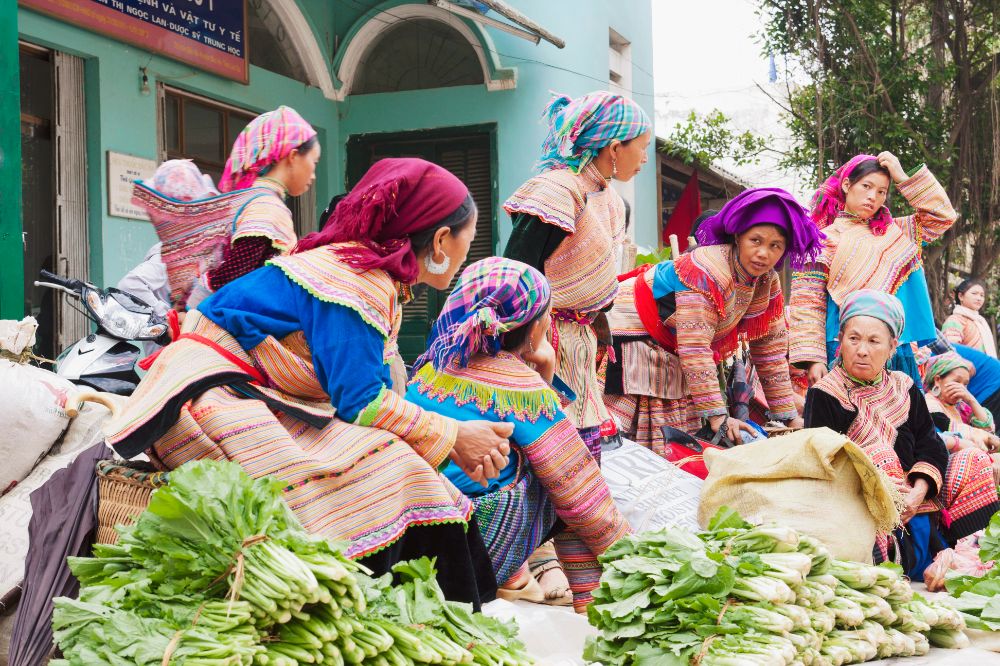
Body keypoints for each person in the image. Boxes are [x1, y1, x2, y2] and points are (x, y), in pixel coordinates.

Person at [105, 158, 515, 607]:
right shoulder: (353, 284)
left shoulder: (360, 274)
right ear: (440, 239)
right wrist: (453, 434)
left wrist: (447, 436)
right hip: (209, 399)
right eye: (467, 242)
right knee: (387, 468)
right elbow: (362, 403)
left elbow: (365, 395)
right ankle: (375, 608)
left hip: (247, 392)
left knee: (396, 460)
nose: (464, 255)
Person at [406, 258, 630, 613]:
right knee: (574, 484)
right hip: (473, 540)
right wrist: (628, 552)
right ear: (535, 324)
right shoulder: (518, 385)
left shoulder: (436, 364)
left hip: (420, 528)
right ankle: (597, 602)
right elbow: (577, 488)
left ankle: (527, 580)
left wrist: (545, 369)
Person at [603, 188, 820, 450]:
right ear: (738, 237)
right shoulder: (707, 269)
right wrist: (718, 417)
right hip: (634, 333)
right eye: (756, 241)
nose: (764, 253)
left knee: (679, 435)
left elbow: (770, 351)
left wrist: (788, 417)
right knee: (629, 435)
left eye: (775, 246)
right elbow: (694, 346)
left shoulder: (768, 281)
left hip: (671, 344)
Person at [804, 290, 997, 577]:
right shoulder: (825, 394)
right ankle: (909, 559)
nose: (862, 350)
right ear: (840, 340)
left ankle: (969, 556)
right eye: (853, 338)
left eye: (874, 341)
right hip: (869, 509)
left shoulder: (904, 386)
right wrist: (889, 493)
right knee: (877, 453)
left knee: (973, 459)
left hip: (918, 499)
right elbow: (823, 462)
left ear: (893, 347)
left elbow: (930, 444)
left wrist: (918, 491)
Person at [503, 90, 652, 459]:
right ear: (615, 148)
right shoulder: (556, 191)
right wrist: (526, 343)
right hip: (541, 342)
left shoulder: (611, 200)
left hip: (581, 344)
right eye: (642, 147)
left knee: (583, 453)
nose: (646, 158)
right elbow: (517, 274)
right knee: (545, 452)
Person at [790, 153, 958, 388]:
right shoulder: (821, 239)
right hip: (843, 348)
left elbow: (943, 216)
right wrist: (813, 359)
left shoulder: (898, 232)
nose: (872, 197)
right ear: (847, 185)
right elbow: (807, 303)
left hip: (895, 349)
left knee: (904, 420)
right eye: (866, 186)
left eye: (881, 191)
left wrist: (902, 177)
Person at [186, 106, 321, 306]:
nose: (313, 175)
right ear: (293, 156)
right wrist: (193, 309)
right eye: (314, 162)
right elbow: (234, 271)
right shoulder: (266, 207)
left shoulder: (252, 199)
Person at [922, 351, 1000, 454]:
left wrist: (971, 400)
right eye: (957, 381)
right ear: (937, 379)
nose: (961, 388)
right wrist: (987, 437)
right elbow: (953, 429)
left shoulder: (960, 407)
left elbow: (987, 428)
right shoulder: (929, 402)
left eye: (965, 384)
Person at [942, 279, 997, 358]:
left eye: (982, 295)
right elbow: (951, 351)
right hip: (966, 368)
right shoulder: (955, 320)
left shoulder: (980, 321)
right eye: (974, 293)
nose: (979, 298)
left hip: (983, 368)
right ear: (961, 296)